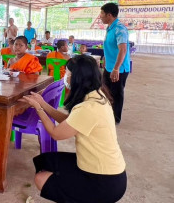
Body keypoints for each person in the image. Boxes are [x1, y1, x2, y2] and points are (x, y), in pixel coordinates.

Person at [20, 55, 126, 203]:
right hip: (105, 169)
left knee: (41, 179)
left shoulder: (88, 108)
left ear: (78, 79)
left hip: (104, 181)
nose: (66, 77)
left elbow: (56, 133)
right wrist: (43, 103)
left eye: (68, 74)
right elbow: (69, 122)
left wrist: (38, 108)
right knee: (44, 161)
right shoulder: (96, 95)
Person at [100, 3, 130, 124]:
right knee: (105, 91)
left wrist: (116, 68)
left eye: (102, 13)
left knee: (116, 93)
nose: (100, 16)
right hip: (109, 67)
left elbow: (123, 49)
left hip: (119, 68)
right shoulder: (109, 27)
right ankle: (107, 114)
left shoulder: (120, 28)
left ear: (109, 15)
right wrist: (105, 59)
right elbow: (110, 47)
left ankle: (115, 118)